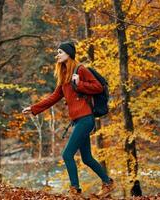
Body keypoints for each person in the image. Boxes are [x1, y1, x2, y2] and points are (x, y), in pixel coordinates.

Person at [22, 41, 114, 198]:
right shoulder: (65, 75)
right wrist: (34, 108)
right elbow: (54, 96)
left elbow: (98, 87)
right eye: (57, 52)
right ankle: (108, 183)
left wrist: (80, 83)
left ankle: (75, 190)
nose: (57, 55)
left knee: (67, 154)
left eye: (60, 52)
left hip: (86, 119)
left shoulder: (81, 69)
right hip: (78, 120)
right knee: (86, 158)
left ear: (69, 54)